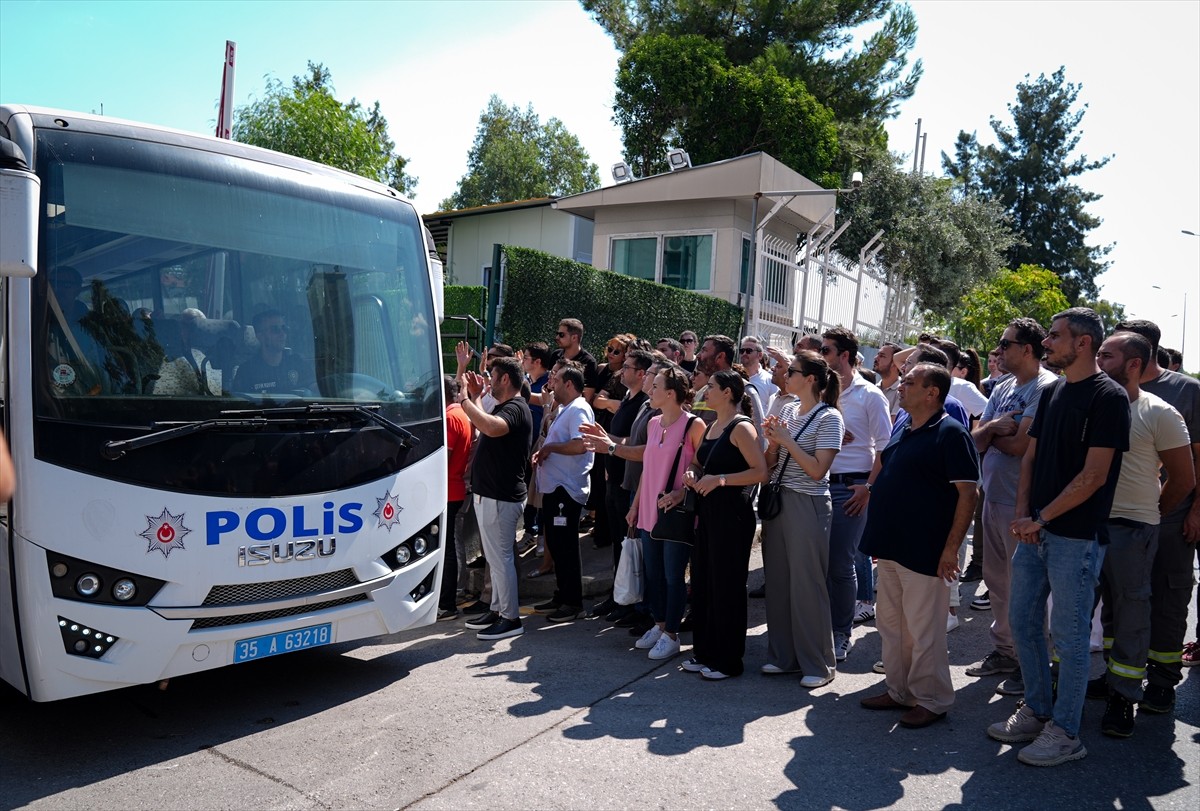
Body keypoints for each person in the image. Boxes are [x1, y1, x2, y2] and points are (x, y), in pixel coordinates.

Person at [988, 308, 1130, 767]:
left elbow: (1094, 476)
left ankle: (1067, 732)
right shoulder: (1053, 393)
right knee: (1024, 622)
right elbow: (1029, 457)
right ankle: (1038, 708)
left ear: (1083, 342)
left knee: (1068, 639)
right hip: (1036, 529)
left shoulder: (1109, 398)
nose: (1046, 343)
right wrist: (1023, 512)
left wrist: (1041, 518)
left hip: (1074, 537)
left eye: (1054, 336)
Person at [858, 363, 979, 728]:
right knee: (892, 625)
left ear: (932, 393)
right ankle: (899, 691)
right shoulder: (904, 427)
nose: (901, 385)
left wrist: (950, 549)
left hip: (926, 550)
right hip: (892, 548)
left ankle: (933, 699)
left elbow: (968, 494)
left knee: (924, 630)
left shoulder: (952, 434)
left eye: (910, 382)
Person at [1089, 332, 1193, 737]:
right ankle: (1110, 679)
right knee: (1102, 612)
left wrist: (1148, 517)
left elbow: (1183, 479)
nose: (1097, 360)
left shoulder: (1162, 411)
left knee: (1135, 612)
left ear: (1134, 364)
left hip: (1133, 530)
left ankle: (1125, 696)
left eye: (1106, 355)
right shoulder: (1091, 403)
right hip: (1086, 528)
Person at [1112, 319, 1200, 715]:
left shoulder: (1186, 391)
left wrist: (1194, 510)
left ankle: (1163, 681)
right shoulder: (1109, 389)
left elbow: (1195, 462)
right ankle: (1119, 677)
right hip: (1123, 522)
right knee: (1122, 600)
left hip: (1171, 518)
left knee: (1168, 597)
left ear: (1140, 352)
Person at [966, 319, 1057, 696]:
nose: (999, 351)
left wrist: (992, 432)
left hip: (1025, 504)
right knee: (998, 581)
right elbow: (975, 438)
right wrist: (993, 429)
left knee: (1027, 590)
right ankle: (1006, 651)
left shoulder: (1047, 387)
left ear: (1028, 349)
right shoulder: (1002, 387)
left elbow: (1021, 446)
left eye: (1006, 344)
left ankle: (1032, 662)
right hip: (993, 495)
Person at [759, 351, 844, 688]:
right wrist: (772, 442)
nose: (784, 375)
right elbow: (773, 462)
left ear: (809, 378)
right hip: (780, 502)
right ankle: (784, 657)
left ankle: (819, 664)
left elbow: (817, 470)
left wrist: (787, 440)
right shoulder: (789, 410)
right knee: (778, 582)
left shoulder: (831, 418)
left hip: (808, 504)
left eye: (791, 371)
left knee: (808, 584)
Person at [678, 370, 768, 679]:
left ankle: (729, 660)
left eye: (712, 387)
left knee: (726, 586)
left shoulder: (741, 428)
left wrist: (722, 480)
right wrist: (692, 472)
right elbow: (698, 462)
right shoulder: (713, 425)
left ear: (728, 392)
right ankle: (705, 652)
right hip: (709, 515)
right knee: (703, 583)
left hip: (733, 516)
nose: (705, 391)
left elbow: (760, 472)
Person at [820, 327, 892, 661]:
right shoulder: (821, 394)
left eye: (827, 350)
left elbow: (887, 448)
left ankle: (840, 633)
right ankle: (822, 629)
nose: (822, 356)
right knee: (819, 564)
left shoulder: (870, 395)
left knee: (839, 563)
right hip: (817, 483)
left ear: (844, 356)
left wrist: (869, 489)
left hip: (851, 487)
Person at [625, 365, 706, 661]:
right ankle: (659, 625)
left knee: (673, 576)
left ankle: (672, 633)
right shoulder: (653, 422)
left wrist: (682, 492)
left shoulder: (694, 425)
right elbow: (648, 467)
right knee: (653, 574)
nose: (650, 389)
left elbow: (701, 469)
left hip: (676, 512)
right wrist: (634, 506)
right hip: (648, 507)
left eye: (656, 385)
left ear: (671, 393)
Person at [458, 357, 533, 642]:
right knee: (495, 558)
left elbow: (490, 427)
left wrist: (466, 400)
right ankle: (497, 609)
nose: (489, 380)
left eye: (492, 376)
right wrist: (475, 397)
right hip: (490, 495)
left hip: (502, 498)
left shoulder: (516, 407)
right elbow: (485, 420)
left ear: (505, 379)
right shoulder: (505, 407)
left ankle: (511, 618)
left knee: (501, 560)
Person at [531, 361, 595, 622]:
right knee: (556, 544)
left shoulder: (579, 408)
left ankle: (573, 602)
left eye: (556, 380)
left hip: (566, 490)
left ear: (569, 384)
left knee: (565, 545)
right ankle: (562, 595)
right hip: (556, 488)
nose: (551, 384)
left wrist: (550, 449)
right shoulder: (567, 408)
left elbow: (581, 445)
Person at [438, 375, 474, 621]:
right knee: (451, 546)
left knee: (448, 548)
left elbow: (444, 459)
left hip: (448, 490)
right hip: (456, 488)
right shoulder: (461, 414)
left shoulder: (451, 417)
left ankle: (447, 603)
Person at [232, 309, 314, 395]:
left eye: (284, 328)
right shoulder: (246, 372)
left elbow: (317, 390)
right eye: (276, 329)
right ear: (260, 335)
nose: (283, 334)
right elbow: (240, 405)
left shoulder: (298, 363)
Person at [739, 335, 778, 402]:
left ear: (759, 355)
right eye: (742, 351)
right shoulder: (734, 375)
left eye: (749, 351)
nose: (744, 353)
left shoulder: (769, 380)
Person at [873, 341, 903, 421]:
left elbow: (892, 426)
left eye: (882, 356)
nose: (876, 358)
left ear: (895, 364)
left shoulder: (902, 391)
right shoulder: (873, 388)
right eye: (877, 354)